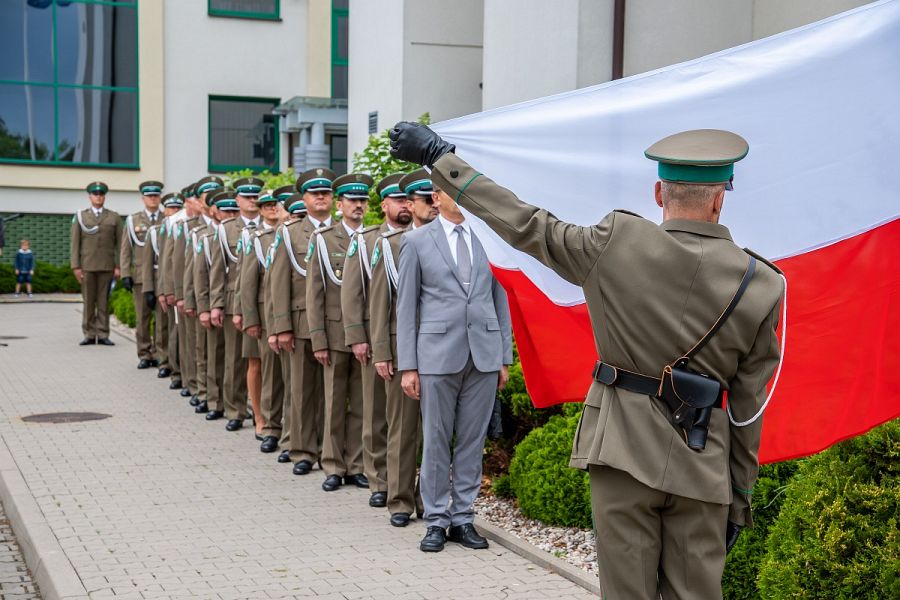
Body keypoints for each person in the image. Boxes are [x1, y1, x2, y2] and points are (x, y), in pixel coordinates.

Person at [389, 122, 785, 599]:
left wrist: (441, 158)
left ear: (659, 193)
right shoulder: (761, 283)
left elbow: (526, 224)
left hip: (621, 451)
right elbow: (747, 409)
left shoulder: (617, 241)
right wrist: (739, 497)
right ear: (720, 199)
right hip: (703, 463)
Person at [391, 157, 513, 552]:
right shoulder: (416, 242)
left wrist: (504, 356)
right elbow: (406, 308)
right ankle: (435, 520)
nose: (460, 198)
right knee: (436, 440)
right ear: (437, 197)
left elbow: (500, 299)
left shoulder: (487, 237)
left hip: (483, 355)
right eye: (452, 191)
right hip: (436, 356)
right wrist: (409, 365)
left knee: (472, 442)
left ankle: (462, 518)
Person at [370, 169, 438, 527]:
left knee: (435, 430)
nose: (433, 205)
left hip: (441, 350)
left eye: (435, 197)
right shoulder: (391, 244)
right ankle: (399, 500)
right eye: (426, 199)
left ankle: (429, 498)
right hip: (402, 351)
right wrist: (382, 352)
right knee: (403, 428)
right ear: (411, 204)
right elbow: (380, 303)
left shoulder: (448, 240)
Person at [340, 173, 412, 508]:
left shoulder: (423, 236)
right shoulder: (368, 240)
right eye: (398, 200)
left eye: (408, 200)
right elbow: (352, 292)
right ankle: (378, 479)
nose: (404, 205)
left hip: (412, 340)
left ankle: (402, 478)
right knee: (375, 412)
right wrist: (357, 336)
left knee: (406, 419)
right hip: (377, 337)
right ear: (384, 205)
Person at [269, 169, 332, 471]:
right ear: (304, 199)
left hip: (335, 324)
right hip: (301, 323)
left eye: (326, 193)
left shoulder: (347, 232)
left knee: (334, 394)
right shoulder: (290, 233)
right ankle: (304, 451)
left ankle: (331, 452)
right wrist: (281, 326)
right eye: (314, 193)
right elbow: (279, 281)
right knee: (303, 391)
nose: (321, 197)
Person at [210, 178, 263, 431]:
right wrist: (216, 304)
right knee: (234, 359)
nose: (252, 201)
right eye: (247, 197)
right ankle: (235, 410)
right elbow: (218, 268)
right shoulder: (227, 228)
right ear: (238, 201)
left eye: (256, 197)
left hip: (261, 302)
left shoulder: (270, 225)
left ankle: (261, 410)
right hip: (234, 301)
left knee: (260, 360)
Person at [240, 187, 290, 448]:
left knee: (287, 373)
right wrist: (250, 318)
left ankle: (286, 424)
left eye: (276, 204)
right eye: (267, 205)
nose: (273, 208)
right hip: (263, 312)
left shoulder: (289, 232)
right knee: (264, 368)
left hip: (288, 312)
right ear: (260, 210)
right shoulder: (257, 238)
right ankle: (263, 420)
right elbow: (247, 281)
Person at [70, 181, 122, 346]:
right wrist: (76, 266)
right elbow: (75, 243)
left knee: (103, 302)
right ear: (90, 196)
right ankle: (89, 334)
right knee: (88, 301)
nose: (98, 197)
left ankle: (103, 333)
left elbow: (120, 244)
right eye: (95, 194)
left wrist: (119, 266)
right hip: (87, 266)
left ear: (104, 197)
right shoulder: (81, 216)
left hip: (107, 266)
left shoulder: (114, 217)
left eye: (101, 194)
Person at [120, 180, 164, 369]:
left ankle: (160, 353)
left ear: (160, 197)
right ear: (143, 198)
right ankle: (145, 353)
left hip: (162, 276)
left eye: (156, 195)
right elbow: (125, 248)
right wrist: (125, 273)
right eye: (149, 196)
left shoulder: (167, 218)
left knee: (161, 319)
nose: (153, 199)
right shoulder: (133, 220)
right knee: (142, 316)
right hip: (139, 276)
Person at [145, 192, 185, 388]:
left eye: (178, 207)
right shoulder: (158, 230)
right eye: (171, 208)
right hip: (163, 283)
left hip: (179, 285)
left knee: (176, 329)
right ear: (165, 210)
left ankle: (177, 366)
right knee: (163, 326)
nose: (175, 211)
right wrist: (152, 288)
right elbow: (155, 262)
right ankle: (164, 361)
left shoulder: (183, 227)